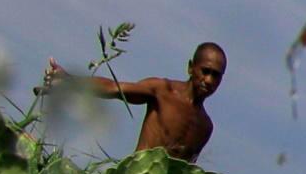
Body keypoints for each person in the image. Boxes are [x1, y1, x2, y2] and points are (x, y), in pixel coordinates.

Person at [46, 41, 227, 161]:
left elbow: (189, 172)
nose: (209, 80)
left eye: (216, 76)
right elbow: (114, 88)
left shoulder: (205, 126)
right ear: (190, 68)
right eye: (206, 71)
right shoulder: (163, 91)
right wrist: (68, 79)